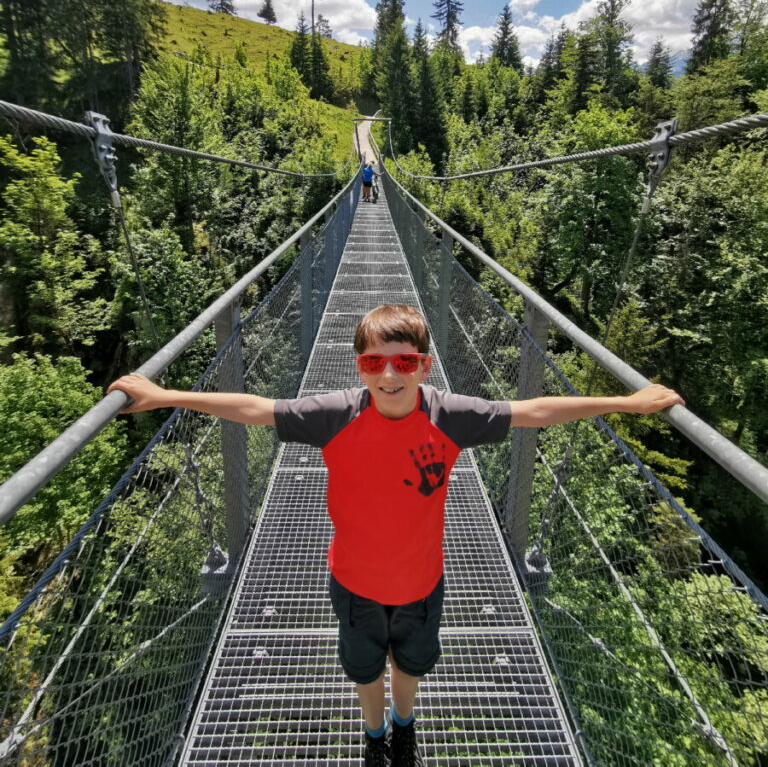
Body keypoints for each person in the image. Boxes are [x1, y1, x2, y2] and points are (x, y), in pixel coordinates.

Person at [108, 304, 684, 767]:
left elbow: (532, 410)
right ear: (358, 365)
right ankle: (374, 735)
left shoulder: (448, 415)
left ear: (425, 366)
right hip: (354, 584)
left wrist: (626, 404)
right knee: (365, 672)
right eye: (374, 363)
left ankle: (402, 732)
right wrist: (165, 397)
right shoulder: (334, 413)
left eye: (404, 364)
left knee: (409, 668)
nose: (388, 375)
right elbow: (257, 409)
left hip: (422, 585)